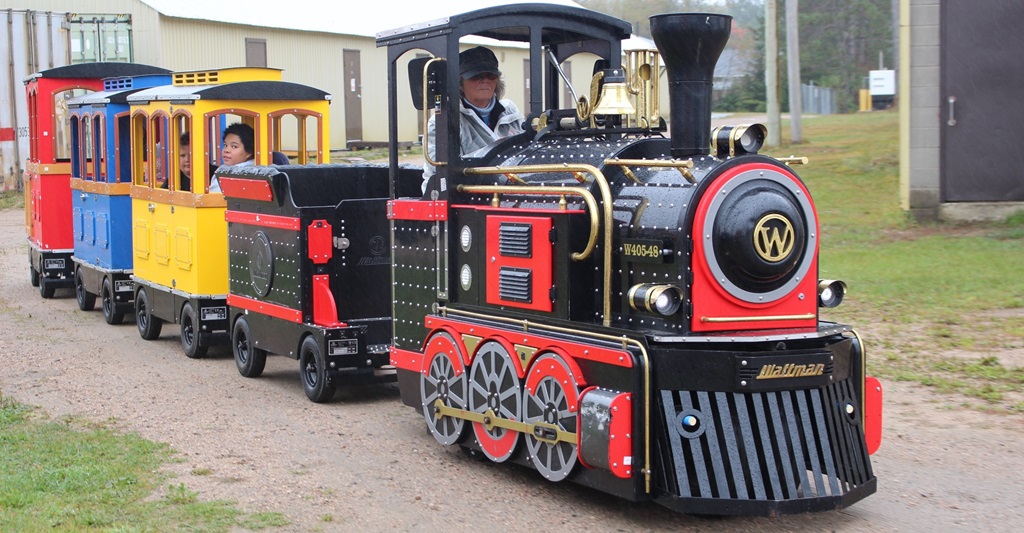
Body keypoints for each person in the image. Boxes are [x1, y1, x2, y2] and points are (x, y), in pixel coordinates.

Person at [421, 46, 525, 194]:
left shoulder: (511, 111)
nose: (484, 81)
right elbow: (446, 174)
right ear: (460, 83)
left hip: (508, 191)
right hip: (462, 196)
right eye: (476, 76)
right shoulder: (442, 121)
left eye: (490, 75)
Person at [208, 122, 255, 193]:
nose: (226, 150)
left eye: (234, 146)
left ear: (249, 152)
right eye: (225, 145)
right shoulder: (227, 169)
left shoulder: (239, 175)